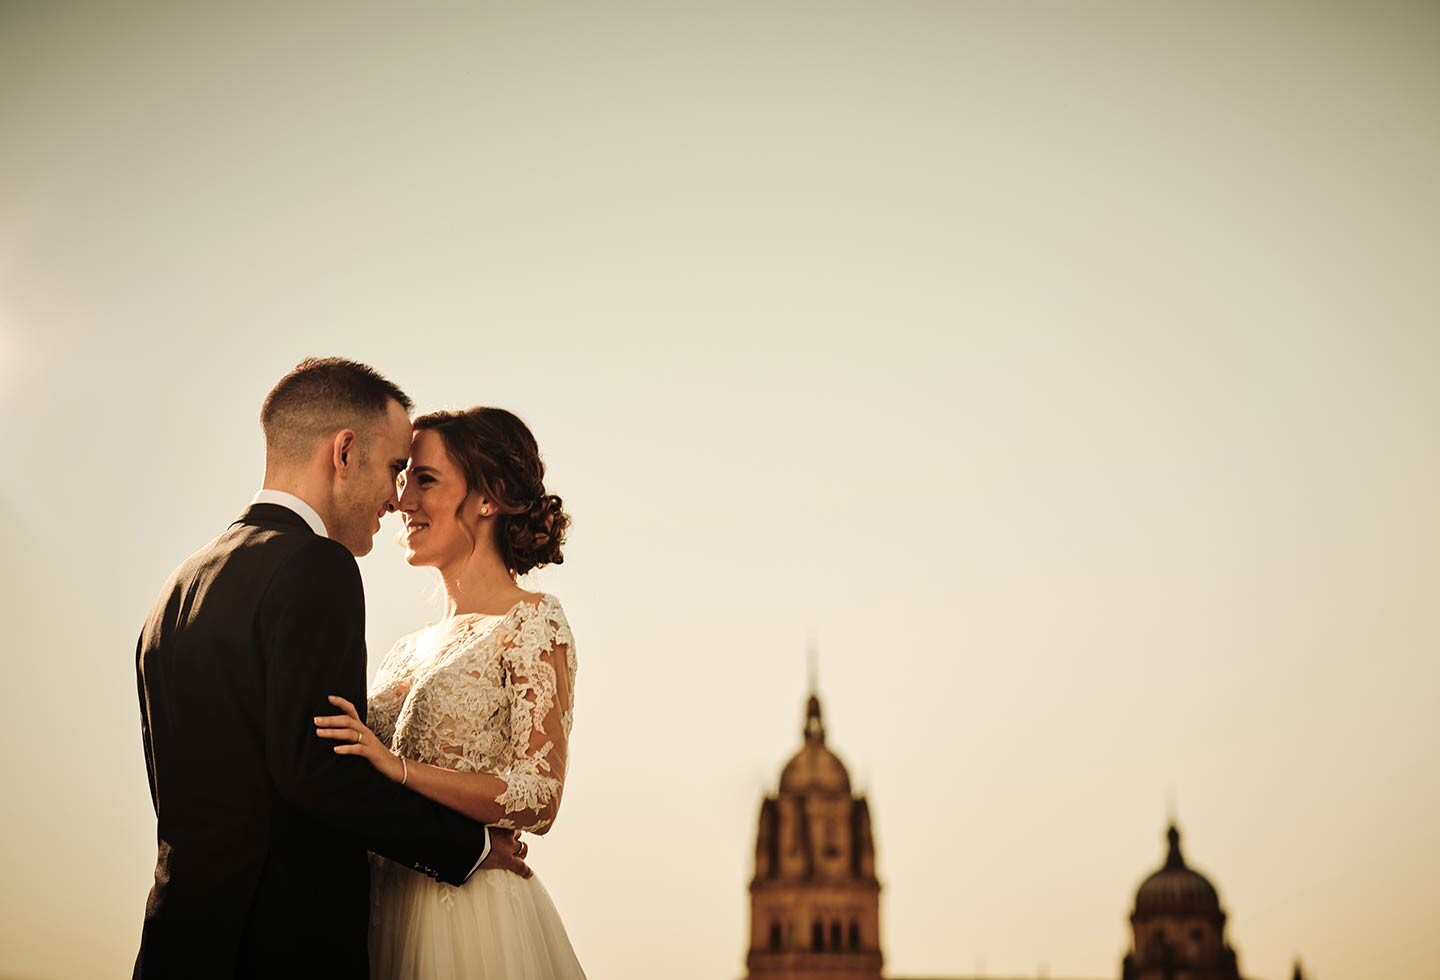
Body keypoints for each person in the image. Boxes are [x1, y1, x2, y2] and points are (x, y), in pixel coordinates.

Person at [133, 358, 530, 979]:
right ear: (344, 452)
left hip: (177, 947)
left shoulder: (181, 585)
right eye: (397, 468)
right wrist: (470, 849)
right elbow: (317, 772)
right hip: (283, 950)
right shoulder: (316, 567)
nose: (397, 498)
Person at [313, 406, 585, 980]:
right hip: (379, 910)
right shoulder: (404, 648)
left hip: (471, 920)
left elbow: (539, 795)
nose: (403, 500)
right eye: (404, 476)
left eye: (426, 479)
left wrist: (398, 768)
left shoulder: (533, 623)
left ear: (488, 498)